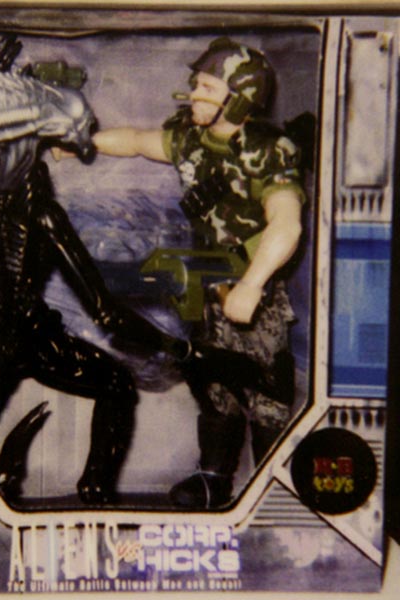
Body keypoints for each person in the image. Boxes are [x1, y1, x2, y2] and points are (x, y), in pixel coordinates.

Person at [89, 37, 306, 508]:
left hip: (252, 283)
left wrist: (253, 285)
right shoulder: (192, 138)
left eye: (208, 86)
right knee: (211, 380)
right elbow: (138, 141)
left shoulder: (268, 150)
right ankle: (213, 476)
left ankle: (276, 487)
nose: (194, 93)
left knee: (266, 388)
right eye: (197, 83)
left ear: (241, 96)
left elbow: (287, 222)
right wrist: (82, 144)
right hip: (205, 281)